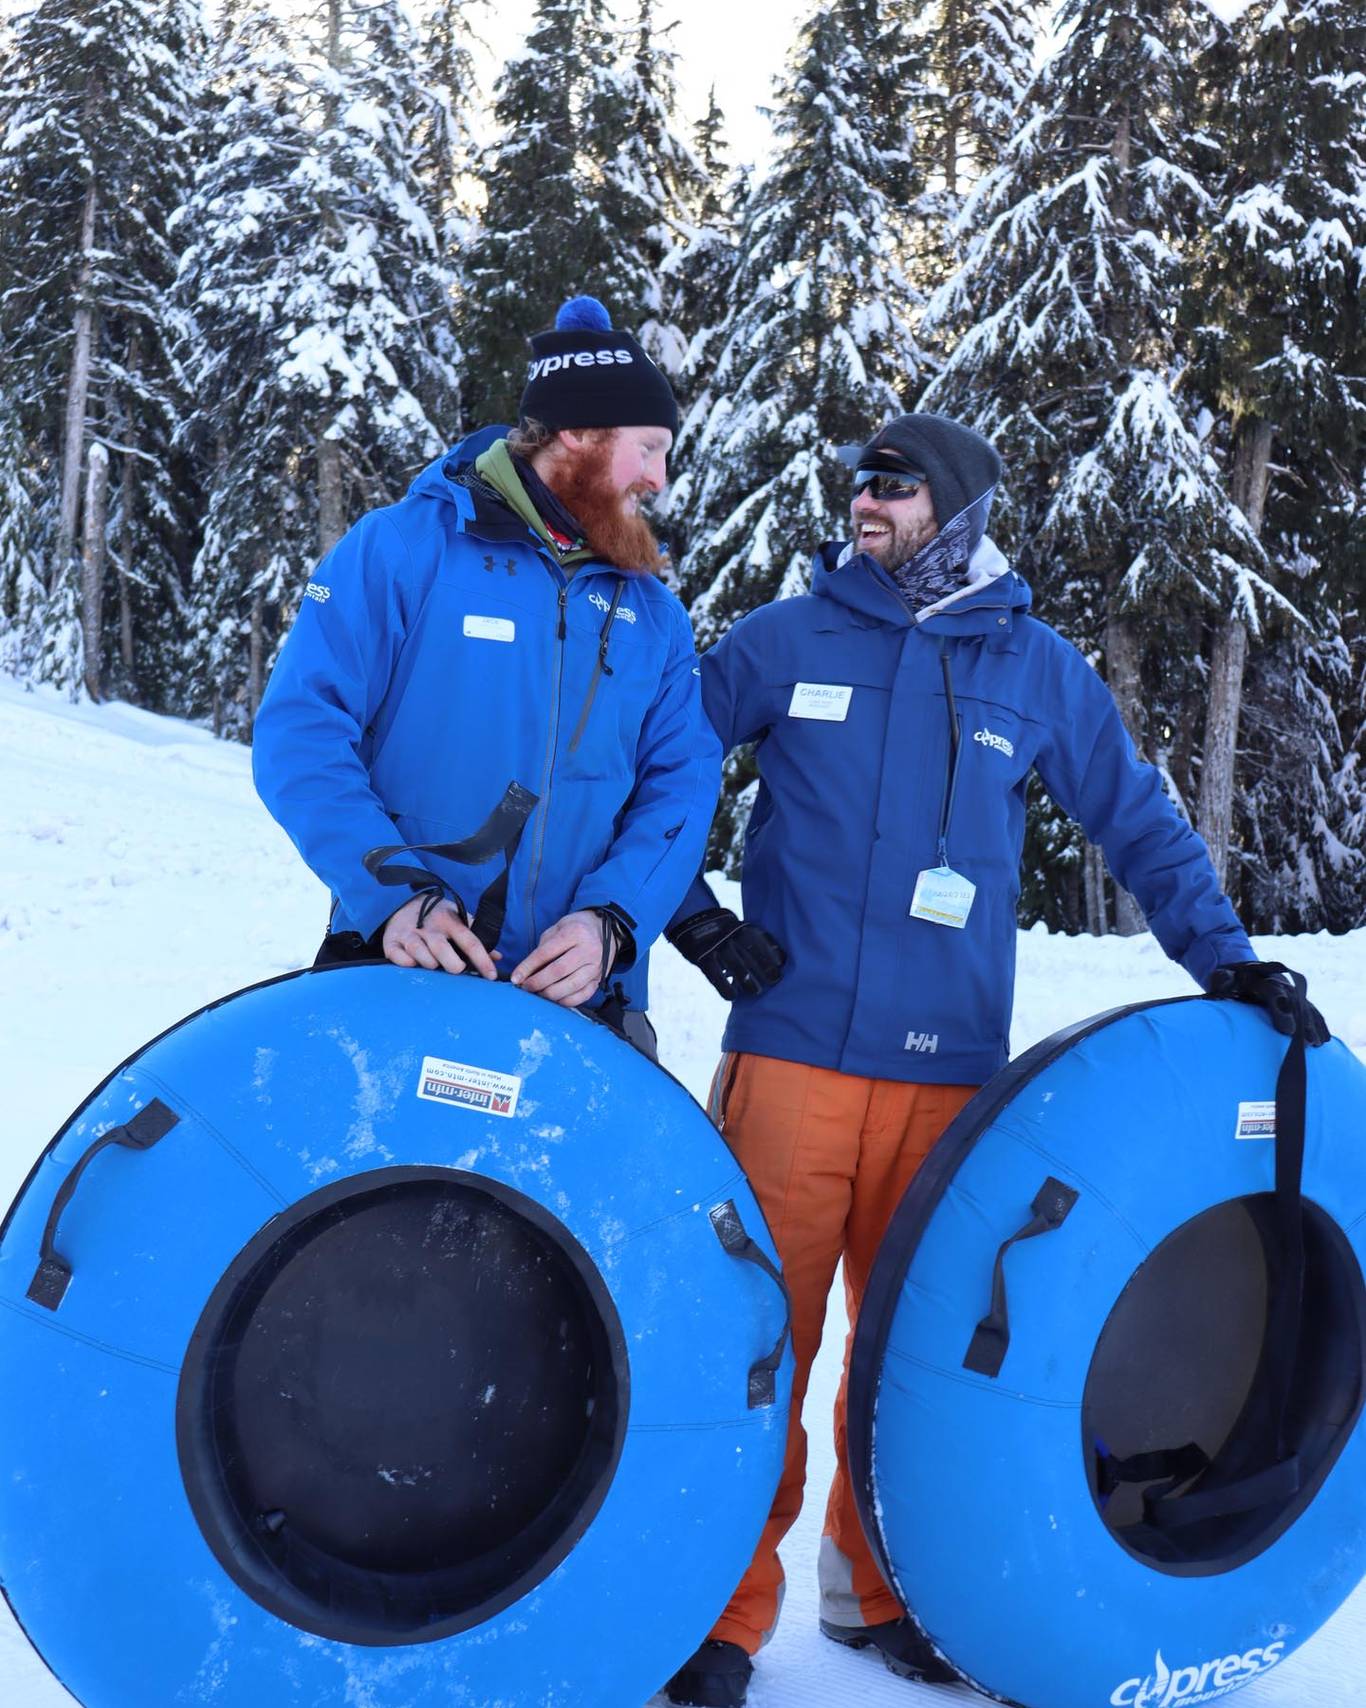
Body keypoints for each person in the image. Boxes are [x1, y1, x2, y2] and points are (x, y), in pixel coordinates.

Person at [662, 412, 1327, 1706]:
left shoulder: (1032, 671)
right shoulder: (783, 641)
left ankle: (879, 1596)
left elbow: (1134, 819)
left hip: (949, 1082)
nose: (866, 503)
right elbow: (660, 769)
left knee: (912, 1364)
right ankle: (714, 1620)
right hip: (791, 1062)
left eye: (895, 488)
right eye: (857, 483)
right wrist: (686, 911)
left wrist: (1224, 958)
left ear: (955, 508)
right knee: (755, 1340)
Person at [253, 296, 720, 1046]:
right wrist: (394, 895)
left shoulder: (654, 614)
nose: (661, 479)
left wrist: (613, 922)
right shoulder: (405, 549)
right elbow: (301, 734)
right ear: (579, 434)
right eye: (650, 448)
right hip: (404, 965)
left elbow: (684, 785)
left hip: (581, 1000)